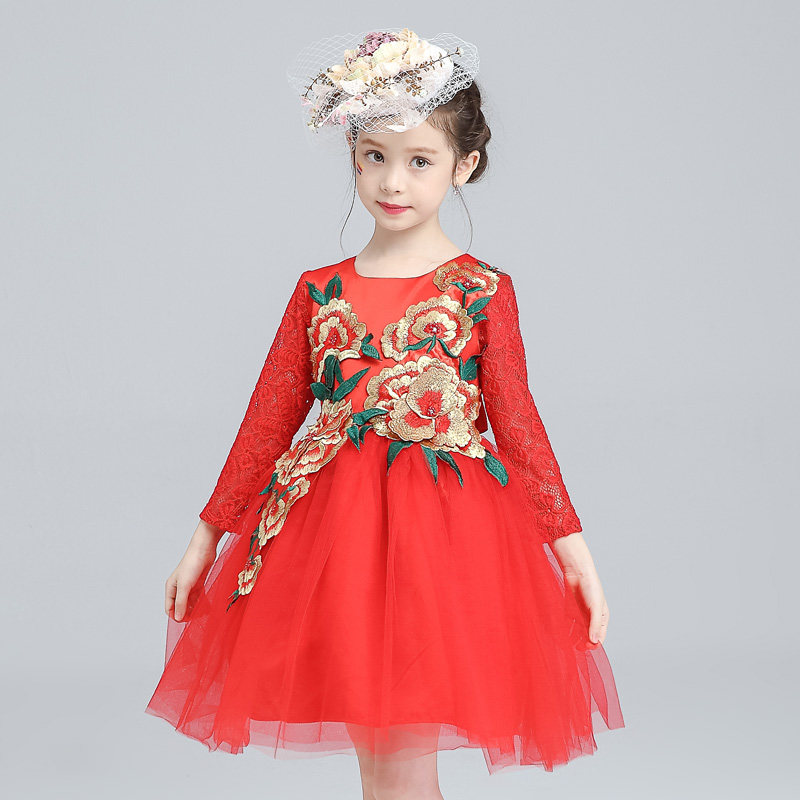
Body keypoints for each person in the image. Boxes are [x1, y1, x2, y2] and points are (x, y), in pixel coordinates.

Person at [145, 28, 625, 799]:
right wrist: (207, 538)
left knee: (400, 763)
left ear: (464, 166)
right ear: (353, 155)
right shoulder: (318, 291)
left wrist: (574, 554)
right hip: (333, 546)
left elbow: (520, 427)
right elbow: (267, 422)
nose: (393, 181)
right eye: (375, 156)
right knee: (382, 763)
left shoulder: (479, 291)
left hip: (444, 544)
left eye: (420, 161)